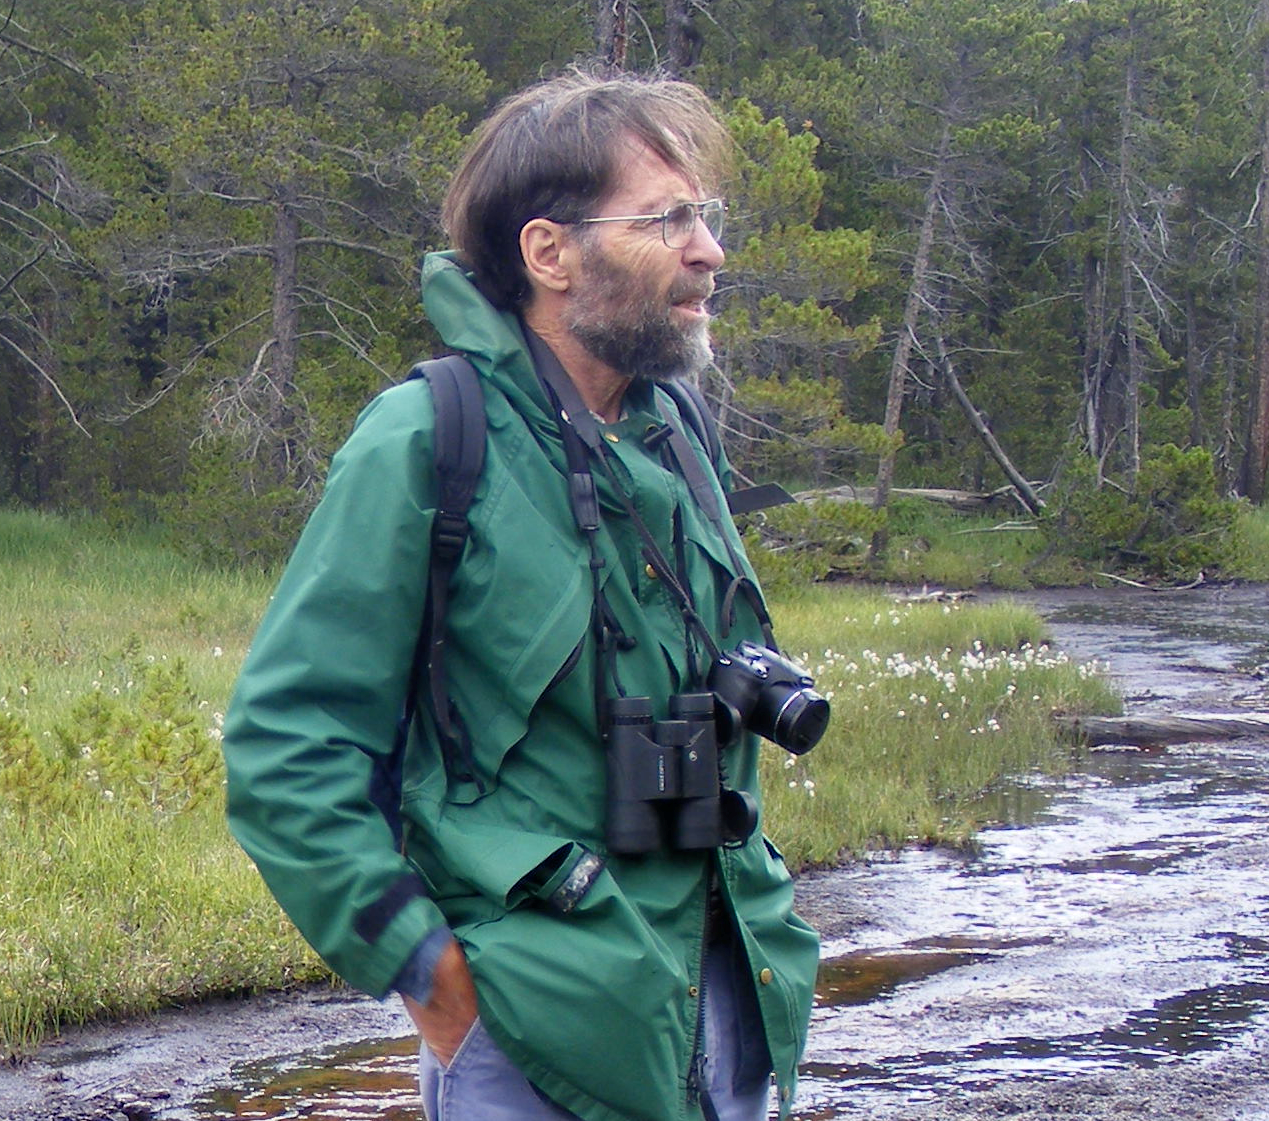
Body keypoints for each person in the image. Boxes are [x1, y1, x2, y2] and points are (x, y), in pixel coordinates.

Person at [221, 70, 820, 1121]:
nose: (708, 251)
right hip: (532, 1034)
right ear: (549, 252)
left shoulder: (677, 431)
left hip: (727, 999)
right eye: (667, 219)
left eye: (706, 216)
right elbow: (286, 747)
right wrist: (432, 978)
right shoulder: (425, 439)